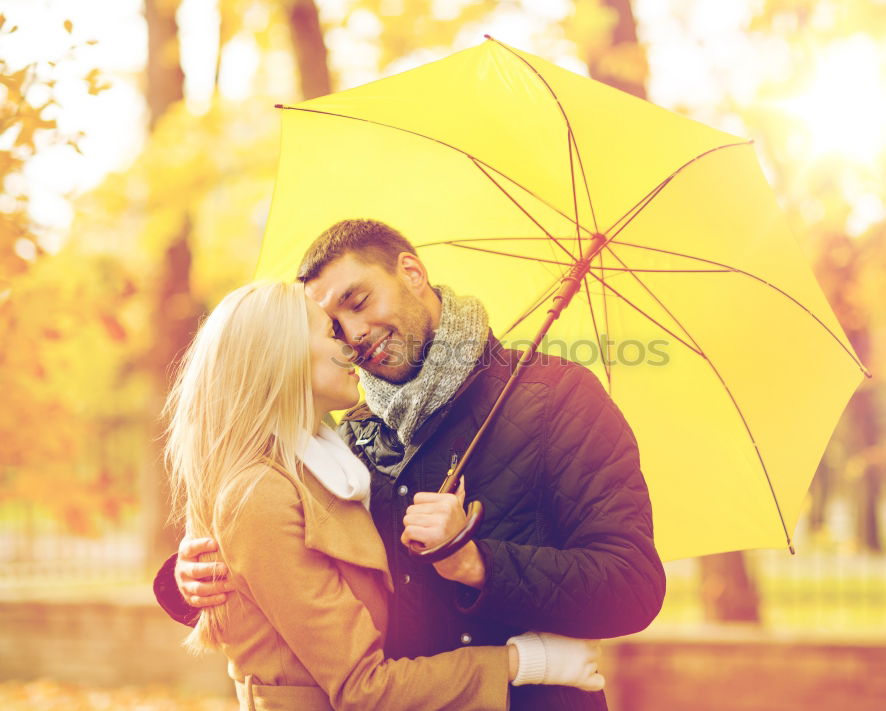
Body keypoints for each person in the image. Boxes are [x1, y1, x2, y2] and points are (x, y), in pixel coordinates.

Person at [154, 219, 666, 710]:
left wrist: (477, 563)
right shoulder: (344, 435)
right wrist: (191, 580)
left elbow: (633, 588)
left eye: (359, 301)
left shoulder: (556, 397)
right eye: (333, 325)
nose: (353, 334)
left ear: (412, 274)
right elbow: (295, 581)